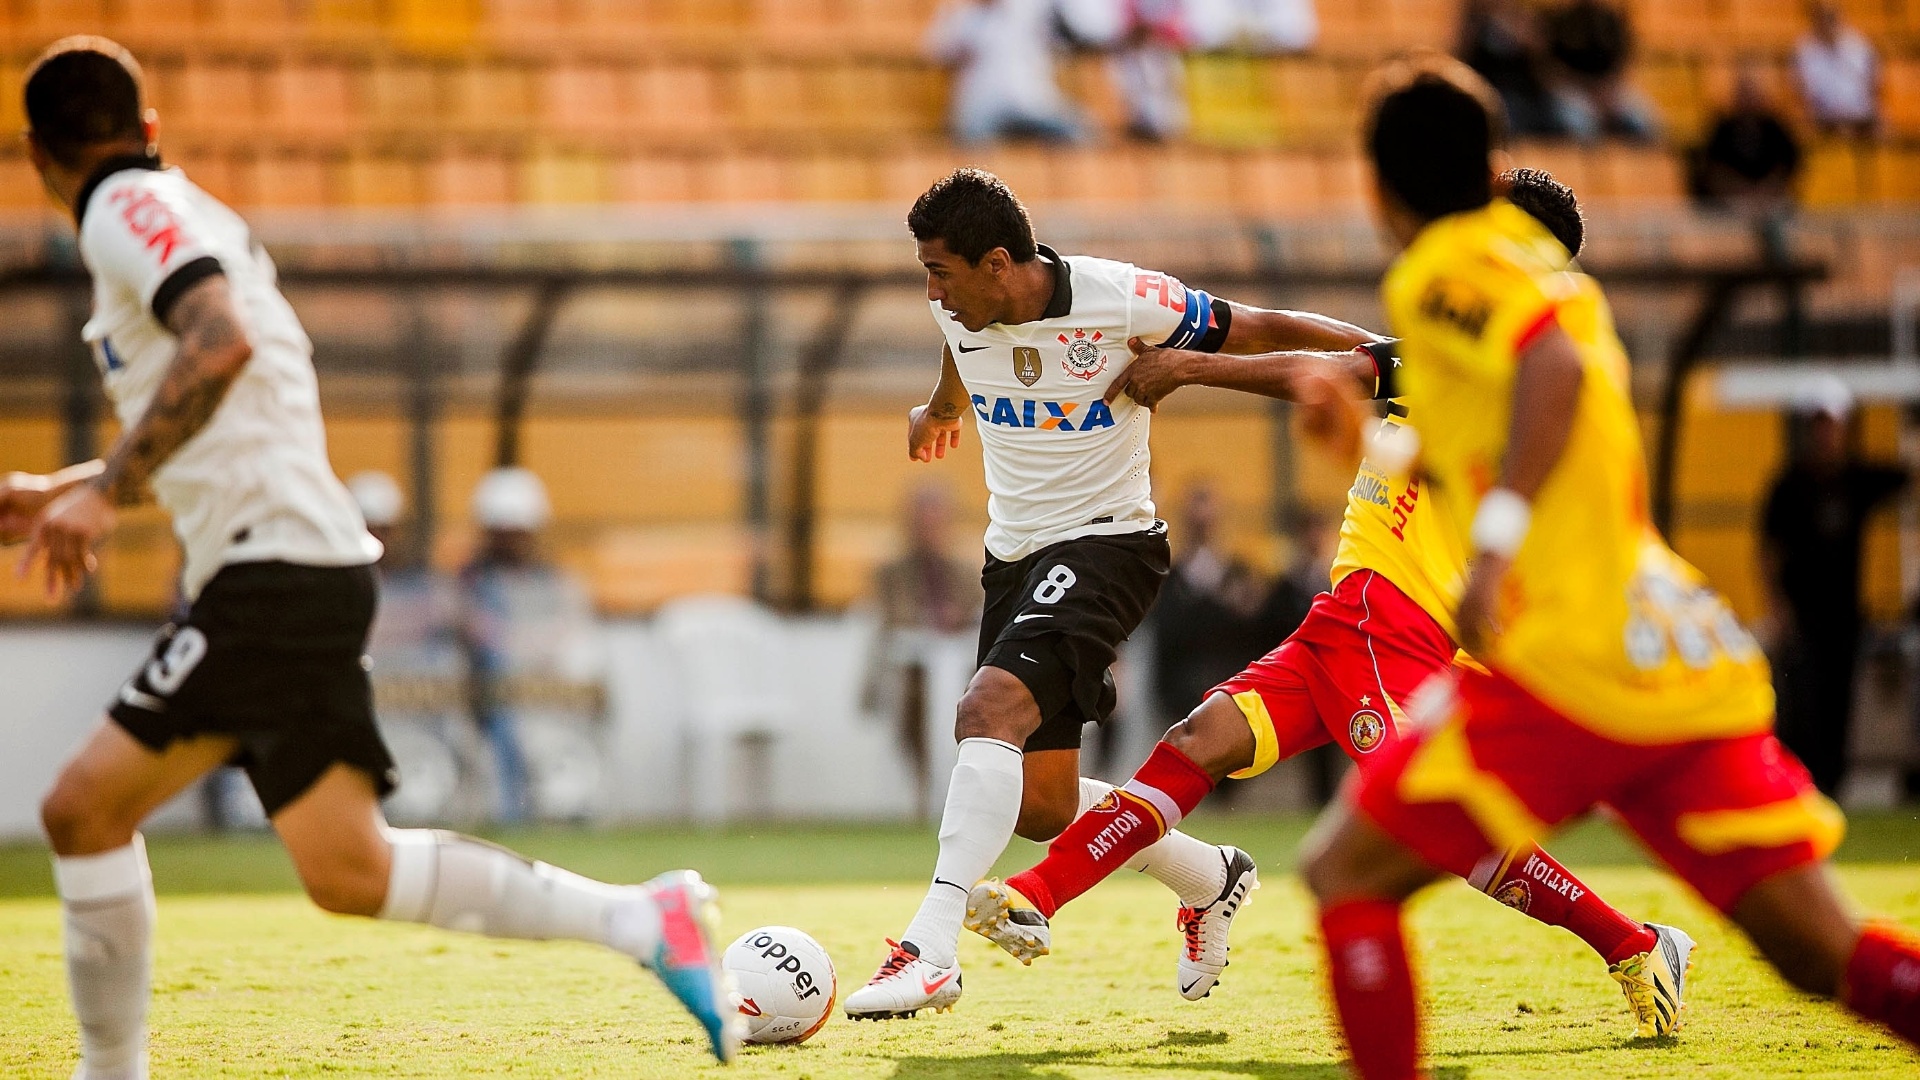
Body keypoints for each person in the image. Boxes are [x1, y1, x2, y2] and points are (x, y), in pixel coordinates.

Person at [1, 38, 740, 1076]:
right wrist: (69, 489)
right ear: (150, 126)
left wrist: (106, 492)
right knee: (349, 870)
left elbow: (221, 344)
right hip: (296, 569)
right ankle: (640, 917)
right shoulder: (179, 213)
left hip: (273, 576)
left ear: (34, 152)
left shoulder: (124, 209)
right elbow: (223, 399)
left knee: (82, 811)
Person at [1293, 56, 1920, 1079]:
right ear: (1492, 163)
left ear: (1378, 186)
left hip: (1565, 658)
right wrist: (1366, 435)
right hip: (1666, 646)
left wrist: (1491, 553)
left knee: (1343, 875)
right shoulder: (1533, 265)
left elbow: (1553, 368)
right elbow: (1522, 430)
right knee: (1819, 953)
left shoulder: (1439, 270)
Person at [967, 168, 1694, 1032]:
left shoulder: (1497, 359)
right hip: (1348, 619)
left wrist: (1188, 365)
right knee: (1197, 744)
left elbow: (1329, 375)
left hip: (1400, 624)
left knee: (1433, 832)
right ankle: (1036, 896)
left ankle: (1635, 944)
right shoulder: (1468, 345)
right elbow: (1360, 380)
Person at [842, 166, 1384, 1019]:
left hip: (1108, 546)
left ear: (996, 263)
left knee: (987, 712)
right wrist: (940, 409)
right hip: (1013, 560)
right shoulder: (957, 306)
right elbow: (961, 350)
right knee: (1041, 805)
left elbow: (1259, 327)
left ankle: (929, 948)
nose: (930, 289)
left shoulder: (1123, 299)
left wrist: (1385, 359)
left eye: (939, 271)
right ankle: (1211, 877)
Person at [1761, 383, 1908, 797]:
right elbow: (1768, 548)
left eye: (1833, 424)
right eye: (1819, 425)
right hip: (1803, 616)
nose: (1826, 434)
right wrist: (1777, 608)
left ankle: (1833, 787)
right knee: (1803, 702)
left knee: (1839, 701)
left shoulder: (1857, 479)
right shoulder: (1790, 485)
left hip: (1845, 615)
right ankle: (1802, 785)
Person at [459, 466, 605, 823]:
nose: (512, 543)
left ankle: (580, 806)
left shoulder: (556, 580)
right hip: (494, 697)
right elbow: (481, 634)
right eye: (503, 534)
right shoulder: (474, 582)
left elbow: (571, 628)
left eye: (518, 533)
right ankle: (511, 811)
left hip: (552, 691)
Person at [865, 484, 982, 820]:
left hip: (960, 672)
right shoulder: (892, 573)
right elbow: (893, 619)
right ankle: (925, 790)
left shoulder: (965, 571)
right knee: (916, 705)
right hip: (907, 675)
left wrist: (955, 619)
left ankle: (956, 793)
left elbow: (978, 614)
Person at [926, 0, 1085, 144]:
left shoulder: (1029, 11)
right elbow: (934, 53)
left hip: (1032, 99)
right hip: (981, 102)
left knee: (1080, 134)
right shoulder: (961, 16)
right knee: (970, 143)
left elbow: (1064, 45)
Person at [1542, 0, 1658, 142]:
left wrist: (1608, 92)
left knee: (1645, 121)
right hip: (1573, 89)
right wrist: (1591, 91)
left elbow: (1624, 62)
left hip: (1611, 89)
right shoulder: (1560, 20)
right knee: (1579, 124)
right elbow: (1549, 69)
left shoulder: (1612, 19)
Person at [1692, 69, 1804, 212]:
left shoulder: (1775, 128)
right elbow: (1712, 170)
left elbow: (1787, 167)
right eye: (1743, 94)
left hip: (1769, 200)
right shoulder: (1722, 128)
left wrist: (1765, 192)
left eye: (1752, 94)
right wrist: (1740, 191)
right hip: (1730, 200)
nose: (1747, 100)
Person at [1795, 1, 1881, 138]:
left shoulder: (1859, 45)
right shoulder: (1803, 51)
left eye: (1832, 17)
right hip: (1824, 120)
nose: (1828, 23)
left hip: (1861, 116)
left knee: (1886, 130)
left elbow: (1874, 84)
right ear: (1815, 20)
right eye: (1823, 17)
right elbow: (1802, 93)